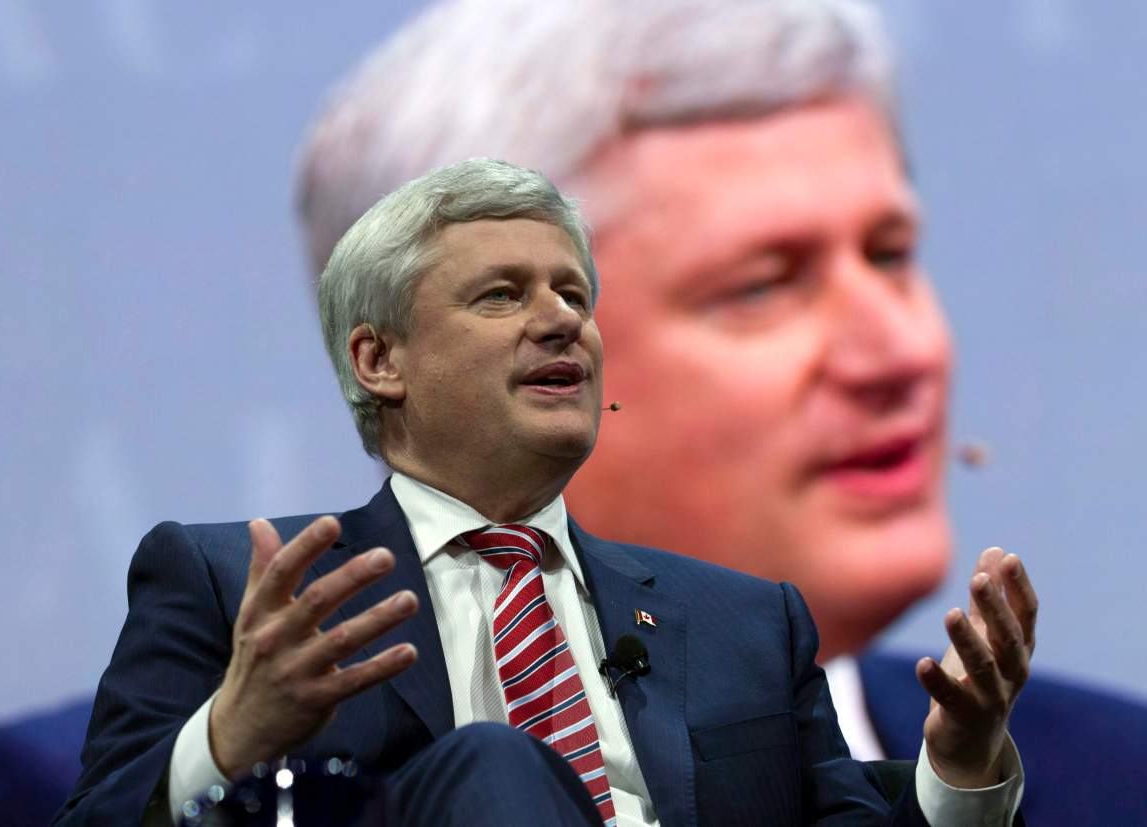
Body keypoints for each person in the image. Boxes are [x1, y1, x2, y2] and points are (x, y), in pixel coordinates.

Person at [290, 1, 1147, 823]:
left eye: (889, 255)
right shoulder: (291, 785)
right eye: (761, 285)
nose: (903, 351)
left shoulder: (1116, 782)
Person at [54, 158, 1033, 825]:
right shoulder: (241, 587)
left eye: (574, 294)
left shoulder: (745, 621)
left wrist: (962, 759)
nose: (562, 320)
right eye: (501, 295)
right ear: (379, 357)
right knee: (496, 763)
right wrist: (229, 734)